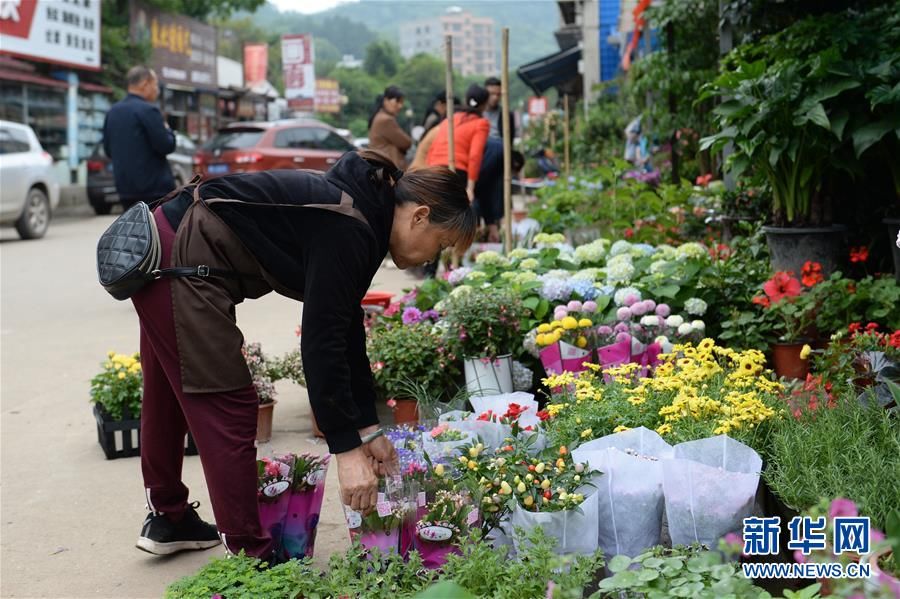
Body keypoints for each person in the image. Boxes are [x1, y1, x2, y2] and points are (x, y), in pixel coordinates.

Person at [130, 149, 476, 561]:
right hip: (179, 258)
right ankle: (251, 556)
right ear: (420, 216)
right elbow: (321, 341)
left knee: (169, 394)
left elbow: (345, 328)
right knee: (229, 404)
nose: (433, 258)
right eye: (441, 244)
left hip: (171, 242)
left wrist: (367, 428)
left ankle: (169, 519)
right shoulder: (353, 225)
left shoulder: (365, 211)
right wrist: (346, 451)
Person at [102, 66, 176, 211]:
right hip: (154, 191)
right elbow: (166, 145)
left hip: (125, 190)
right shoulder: (149, 110)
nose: (157, 90)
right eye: (155, 85)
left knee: (134, 232)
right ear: (145, 84)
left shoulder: (113, 112)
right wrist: (168, 130)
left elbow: (108, 150)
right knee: (157, 232)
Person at [426, 84, 491, 203]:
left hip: (433, 169)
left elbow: (433, 147)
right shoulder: (481, 123)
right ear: (485, 104)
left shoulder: (450, 118)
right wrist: (470, 187)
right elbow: (475, 156)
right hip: (457, 171)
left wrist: (429, 169)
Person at [367, 86, 412, 169]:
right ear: (386, 101)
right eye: (397, 101)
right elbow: (406, 143)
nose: (400, 106)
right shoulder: (386, 120)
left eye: (401, 102)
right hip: (388, 169)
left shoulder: (379, 116)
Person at [483, 76, 516, 143]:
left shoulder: (506, 115)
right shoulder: (476, 113)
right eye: (492, 94)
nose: (495, 98)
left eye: (498, 94)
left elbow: (510, 139)